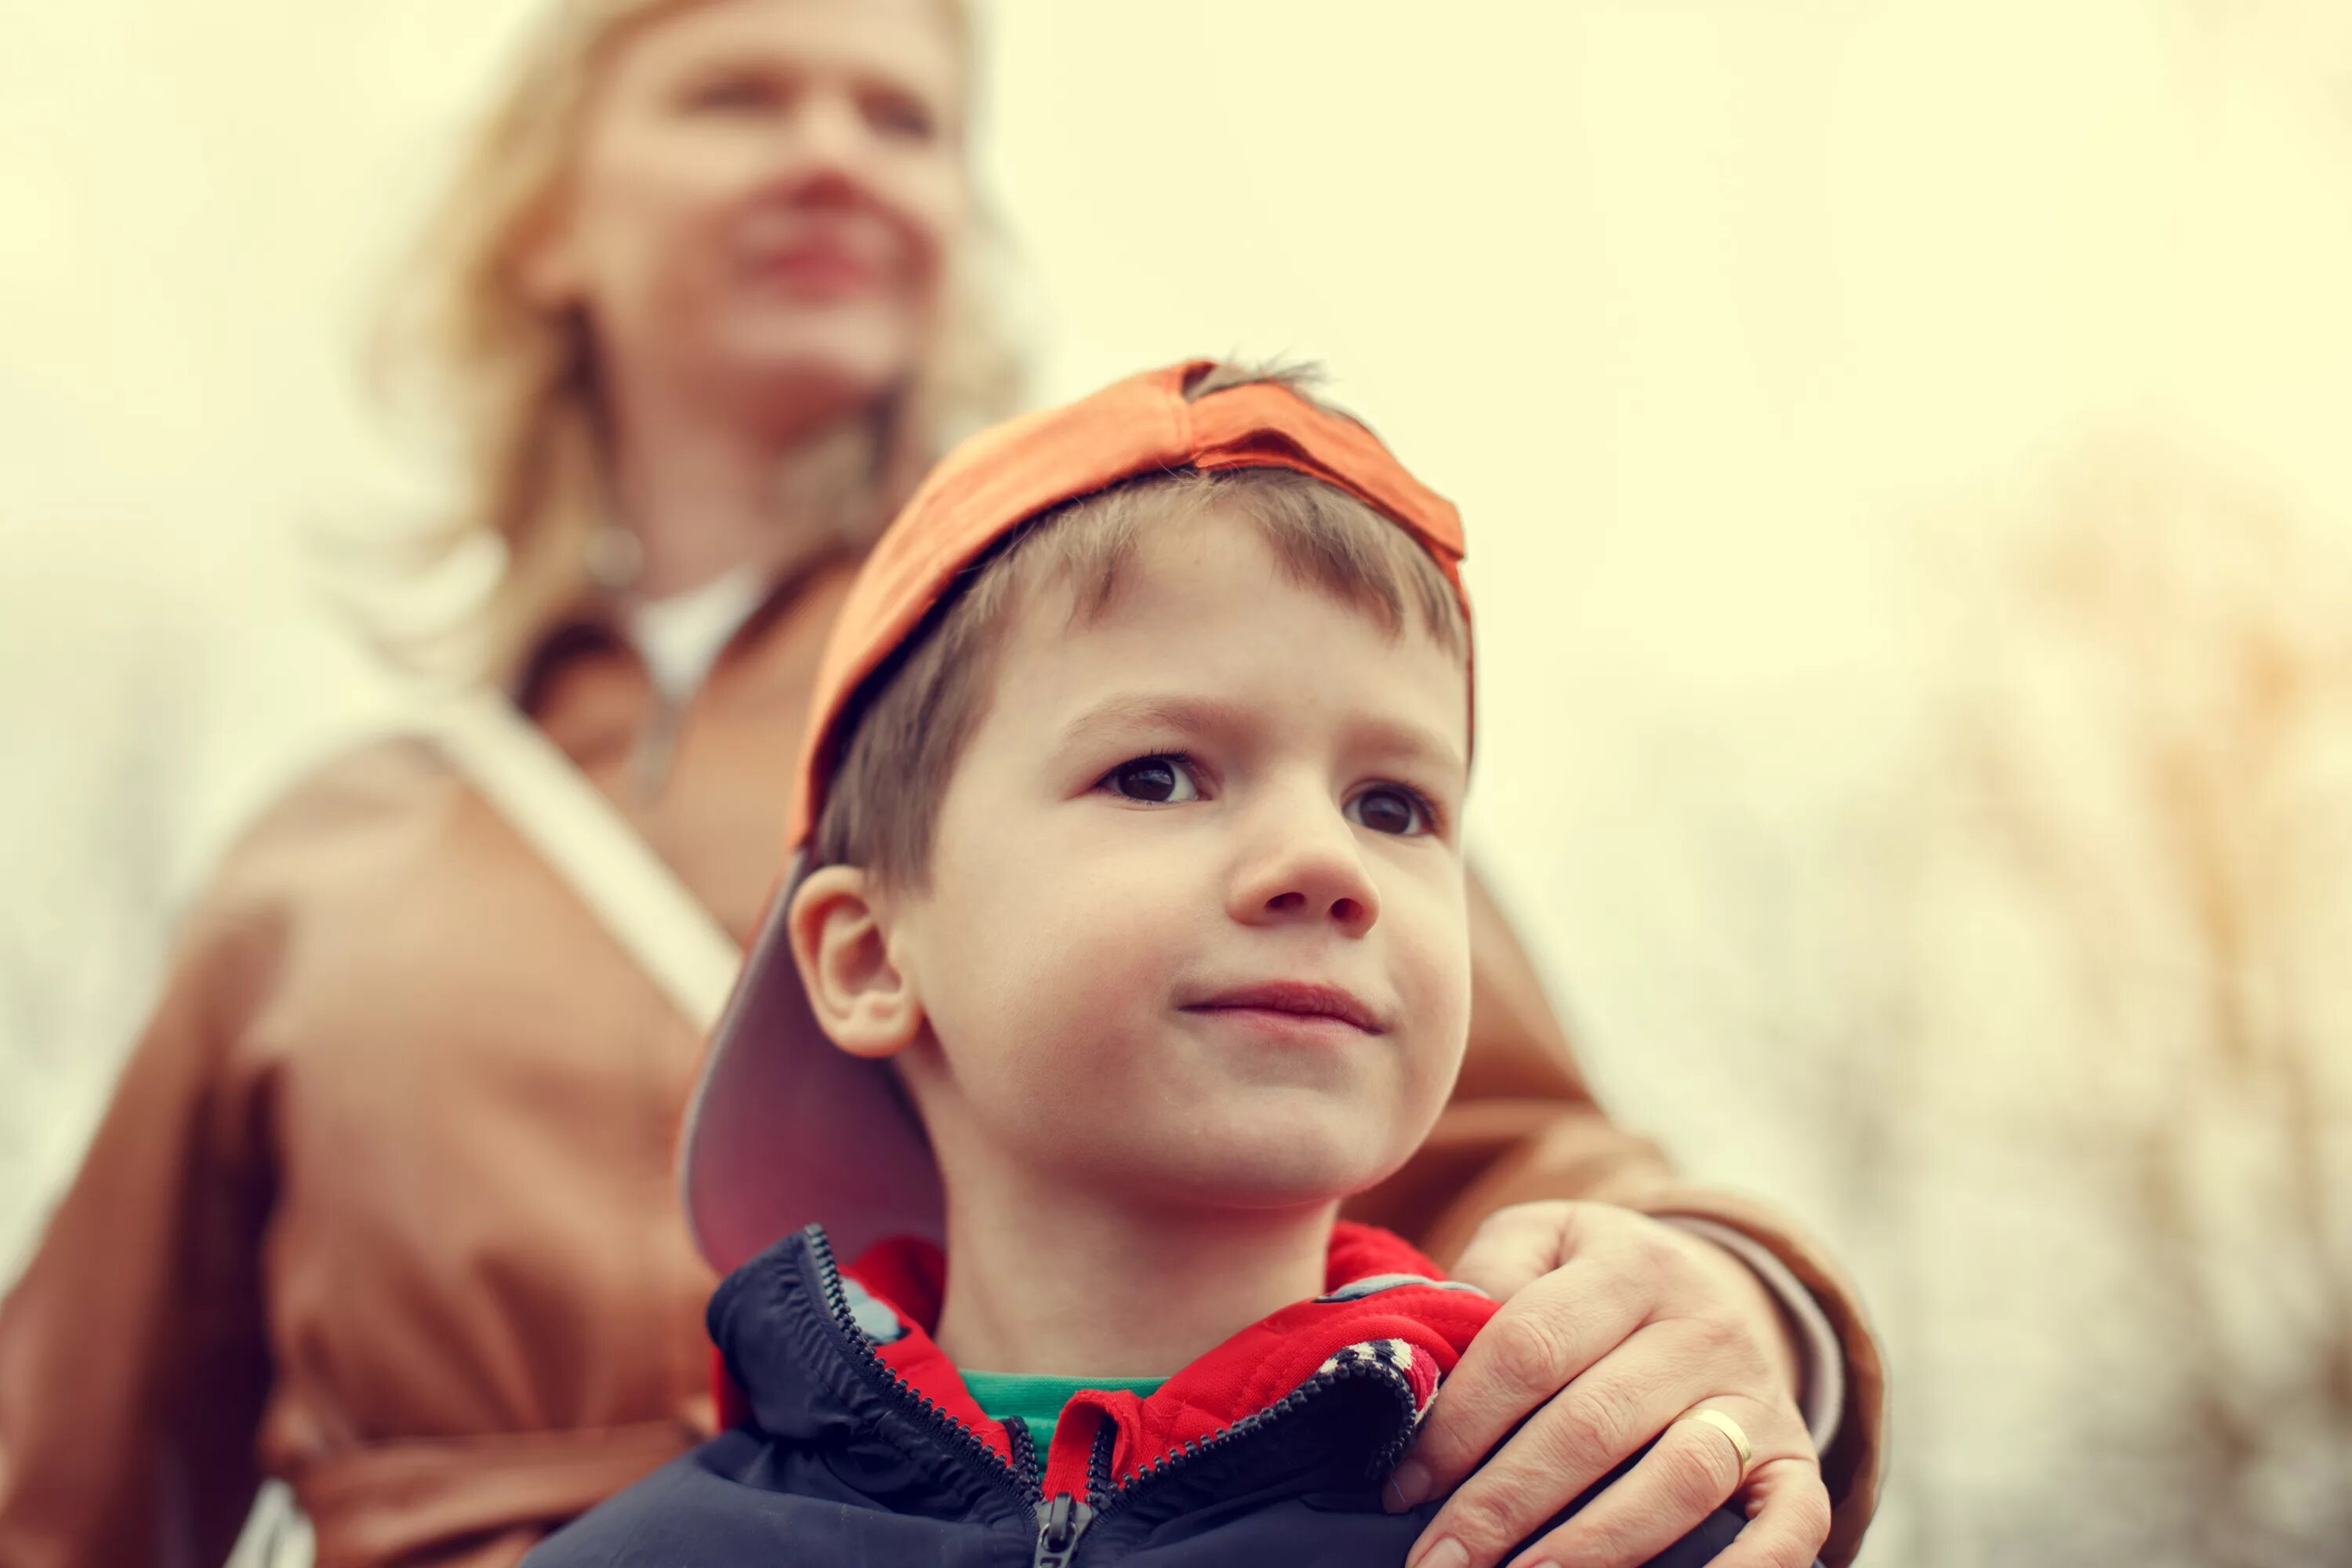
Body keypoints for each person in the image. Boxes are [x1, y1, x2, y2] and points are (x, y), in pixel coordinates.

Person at [0, 3, 1880, 1566]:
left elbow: (1533, 1158)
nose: (837, 151)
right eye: (741, 91)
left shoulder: (1108, 686)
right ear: (547, 222)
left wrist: (1738, 1307)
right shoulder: (328, 858)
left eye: (904, 117)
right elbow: (58, 1485)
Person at [521, 358, 1766, 1568]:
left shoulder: (1597, 1530)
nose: (1324, 860)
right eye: (1157, 775)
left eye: (1392, 806)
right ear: (866, 959)